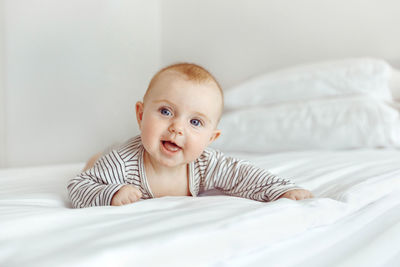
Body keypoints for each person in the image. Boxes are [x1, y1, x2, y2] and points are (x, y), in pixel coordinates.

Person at [68, 63, 313, 208]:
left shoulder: (207, 164)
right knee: (96, 165)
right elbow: (78, 187)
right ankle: (97, 157)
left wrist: (281, 190)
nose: (177, 128)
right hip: (113, 156)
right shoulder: (123, 162)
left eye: (195, 122)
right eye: (165, 111)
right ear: (141, 115)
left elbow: (243, 176)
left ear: (210, 139)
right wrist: (111, 194)